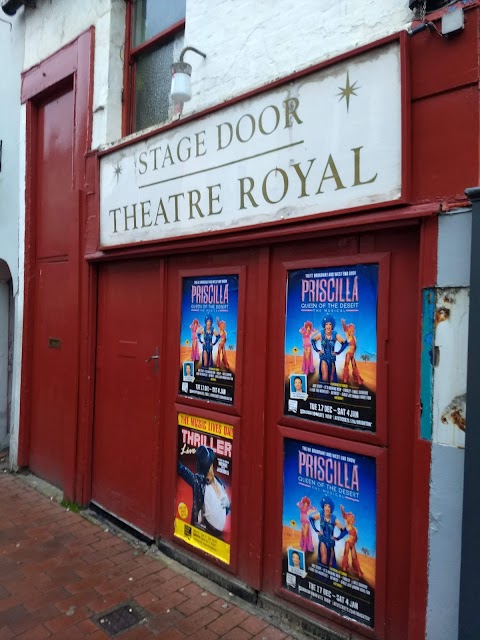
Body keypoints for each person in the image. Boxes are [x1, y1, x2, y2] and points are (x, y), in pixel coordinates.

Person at [177, 445, 230, 538]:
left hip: (219, 536)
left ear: (211, 465)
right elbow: (182, 470)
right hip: (206, 530)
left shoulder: (220, 484)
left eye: (208, 467)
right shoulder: (199, 481)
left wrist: (228, 506)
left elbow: (224, 508)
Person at [309, 496, 347, 567]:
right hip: (323, 539)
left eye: (328, 506)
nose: (326, 508)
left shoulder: (334, 519)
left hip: (331, 543)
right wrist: (316, 530)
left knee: (331, 562)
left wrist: (337, 538)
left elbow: (344, 531)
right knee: (323, 559)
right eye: (325, 506)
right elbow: (311, 519)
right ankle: (321, 577)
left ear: (331, 508)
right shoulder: (320, 514)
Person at [311, 315, 347, 383]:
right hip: (324, 357)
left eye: (330, 324)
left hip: (332, 359)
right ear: (324, 325)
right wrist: (317, 350)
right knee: (325, 377)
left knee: (331, 378)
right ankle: (323, 393)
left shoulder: (335, 334)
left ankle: (330, 393)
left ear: (332, 325)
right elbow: (313, 340)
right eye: (326, 324)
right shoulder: (321, 334)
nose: (328, 326)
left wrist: (338, 352)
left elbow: (344, 344)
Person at [339, 504, 363, 577]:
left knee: (354, 556)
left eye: (352, 520)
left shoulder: (355, 528)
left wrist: (355, 540)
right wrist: (342, 509)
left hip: (353, 543)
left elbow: (356, 537)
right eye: (350, 520)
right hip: (348, 542)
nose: (351, 521)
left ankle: (358, 570)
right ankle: (344, 567)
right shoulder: (348, 526)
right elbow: (344, 516)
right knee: (346, 554)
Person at [341, 319, 363, 385]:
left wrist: (354, 351)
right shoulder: (348, 337)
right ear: (349, 331)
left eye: (353, 331)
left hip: (352, 354)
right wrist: (343, 323)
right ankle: (345, 378)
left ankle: (358, 378)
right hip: (348, 354)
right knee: (346, 365)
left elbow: (355, 346)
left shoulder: (354, 338)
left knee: (354, 366)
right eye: (351, 331)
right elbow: (345, 329)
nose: (352, 332)